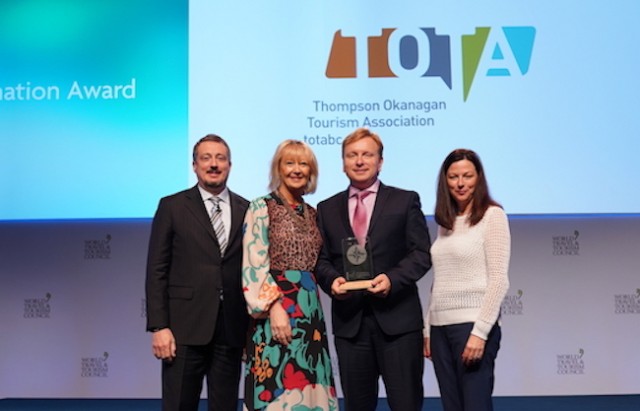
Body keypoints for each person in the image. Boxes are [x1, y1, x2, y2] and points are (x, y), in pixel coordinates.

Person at [315, 127, 432, 411]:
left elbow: (421, 254)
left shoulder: (405, 200)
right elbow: (321, 260)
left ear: (380, 162)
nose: (359, 161)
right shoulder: (326, 208)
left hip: (399, 325)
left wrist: (392, 279)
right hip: (350, 326)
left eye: (367, 155)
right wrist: (332, 282)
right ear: (343, 163)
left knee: (406, 404)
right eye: (352, 155)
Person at [145, 134, 250, 411]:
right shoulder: (172, 206)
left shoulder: (247, 209)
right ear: (194, 165)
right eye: (206, 158)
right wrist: (159, 326)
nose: (213, 164)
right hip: (183, 329)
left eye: (220, 158)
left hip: (231, 330)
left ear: (229, 165)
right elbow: (156, 270)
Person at [242, 140, 337, 411]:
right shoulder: (261, 207)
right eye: (290, 163)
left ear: (311, 171)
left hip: (310, 313)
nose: (297, 169)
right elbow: (253, 264)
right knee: (277, 385)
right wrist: (274, 308)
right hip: (276, 309)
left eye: (303, 164)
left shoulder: (313, 213)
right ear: (278, 168)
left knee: (311, 388)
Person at [423, 149, 511, 411]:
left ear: (478, 178)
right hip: (440, 329)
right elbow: (440, 281)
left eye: (467, 176)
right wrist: (428, 329)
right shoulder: (446, 222)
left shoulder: (493, 216)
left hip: (472, 326)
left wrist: (480, 333)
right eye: (453, 177)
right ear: (445, 181)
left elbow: (499, 280)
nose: (460, 183)